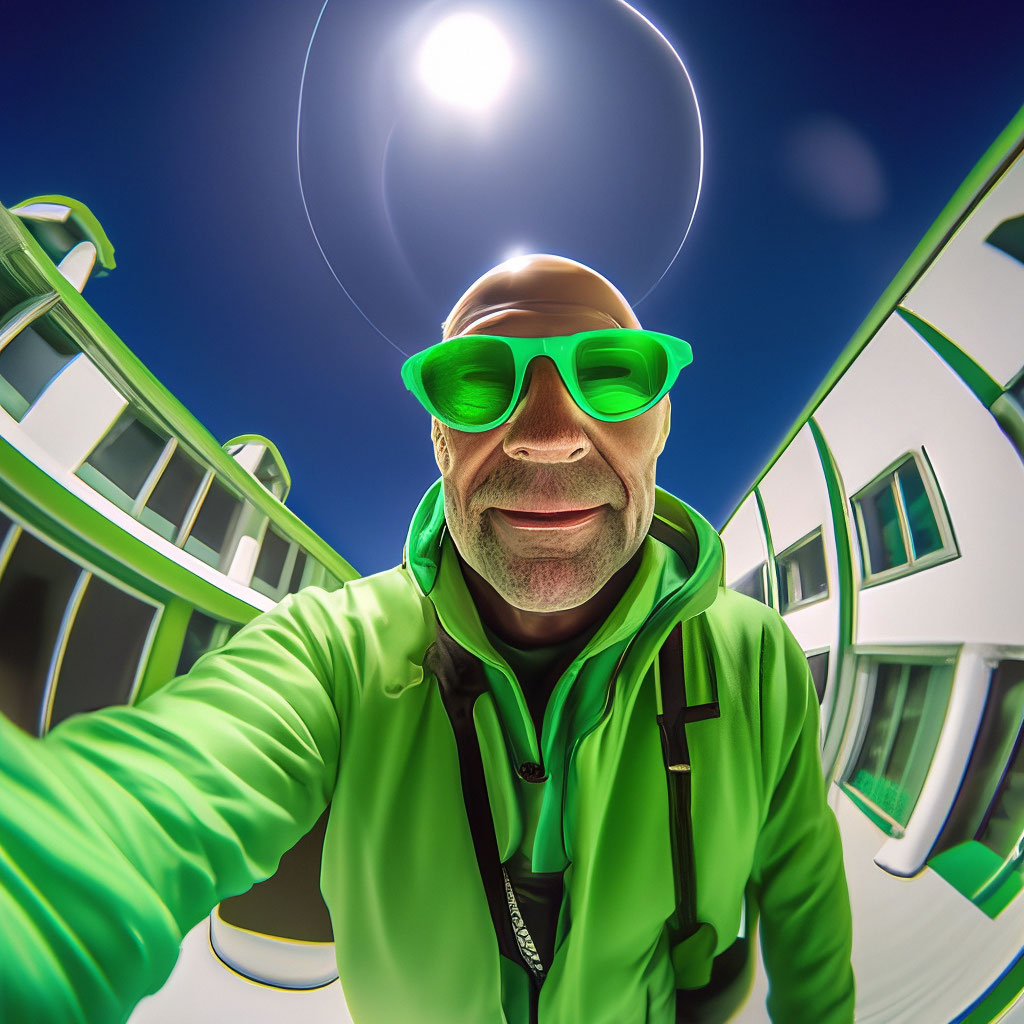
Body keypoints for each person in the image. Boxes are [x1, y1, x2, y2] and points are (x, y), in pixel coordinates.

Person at [0, 254, 855, 1024]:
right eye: (479, 381)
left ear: (660, 421)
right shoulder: (333, 654)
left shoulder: (753, 662)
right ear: (440, 436)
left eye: (611, 375)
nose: (549, 435)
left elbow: (806, 913)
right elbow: (115, 830)